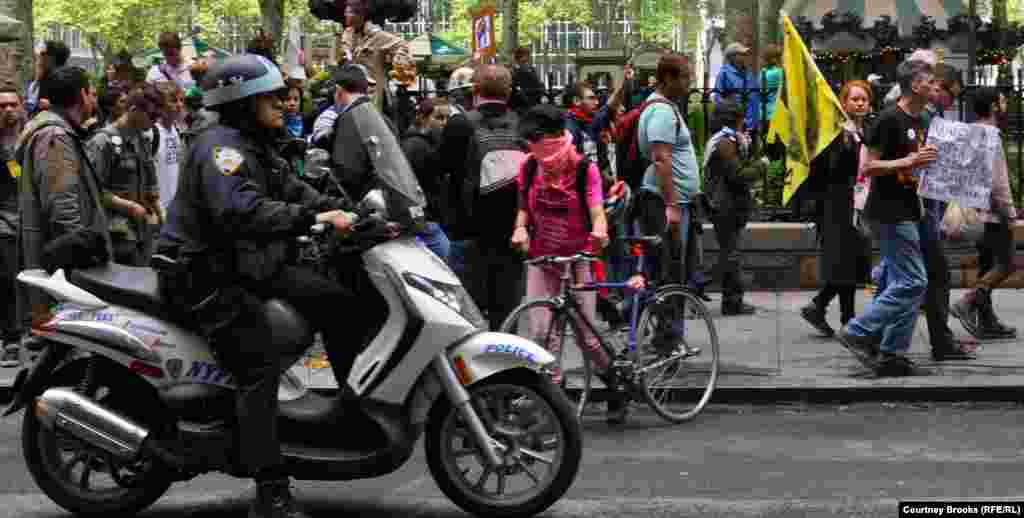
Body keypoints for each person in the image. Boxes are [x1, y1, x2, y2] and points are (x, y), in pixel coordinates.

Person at [155, 54, 357, 518]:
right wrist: (314, 217)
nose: (285, 103)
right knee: (257, 365)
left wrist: (352, 212)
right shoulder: (219, 149)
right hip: (204, 276)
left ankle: (349, 408)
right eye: (272, 96)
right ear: (243, 100)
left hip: (246, 265)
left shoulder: (254, 142)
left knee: (338, 302)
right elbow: (240, 211)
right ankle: (270, 489)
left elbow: (291, 188)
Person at [836, 60, 936, 377]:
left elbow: (918, 162)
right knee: (913, 281)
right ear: (914, 85)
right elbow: (869, 167)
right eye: (929, 81)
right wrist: (909, 160)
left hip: (911, 207)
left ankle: (892, 353)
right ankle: (858, 330)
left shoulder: (922, 118)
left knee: (902, 281)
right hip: (888, 211)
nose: (935, 86)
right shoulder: (889, 119)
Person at [16, 66, 108, 334]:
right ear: (81, 95)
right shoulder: (55, 136)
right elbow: (62, 204)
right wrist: (80, 260)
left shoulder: (57, 132)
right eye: (91, 93)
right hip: (65, 269)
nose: (94, 99)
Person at [440, 64, 527, 330]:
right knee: (507, 312)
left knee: (469, 315)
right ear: (509, 92)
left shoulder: (459, 123)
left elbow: (445, 171)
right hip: (513, 232)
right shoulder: (522, 123)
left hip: (470, 231)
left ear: (474, 90)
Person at [799, 80, 873, 336]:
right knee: (844, 261)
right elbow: (831, 170)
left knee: (850, 262)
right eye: (854, 99)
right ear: (844, 102)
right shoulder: (837, 132)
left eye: (864, 99)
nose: (860, 103)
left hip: (859, 201)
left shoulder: (867, 130)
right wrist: (846, 141)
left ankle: (820, 306)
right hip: (837, 203)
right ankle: (846, 319)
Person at [950, 88, 1019, 340]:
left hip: (977, 211)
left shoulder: (970, 133)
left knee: (988, 264)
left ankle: (987, 321)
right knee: (1007, 264)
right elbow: (998, 181)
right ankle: (967, 301)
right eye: (1001, 100)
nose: (1004, 104)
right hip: (994, 213)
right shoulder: (991, 135)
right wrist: (1009, 213)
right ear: (992, 106)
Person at [85, 82, 164, 267]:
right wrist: (129, 207)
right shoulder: (103, 142)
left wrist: (160, 213)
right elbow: (93, 190)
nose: (155, 121)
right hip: (116, 233)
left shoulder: (143, 140)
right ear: (134, 109)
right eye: (152, 115)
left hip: (143, 231)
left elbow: (151, 186)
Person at [702, 100, 761, 315]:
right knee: (731, 254)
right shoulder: (725, 142)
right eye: (741, 116)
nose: (744, 120)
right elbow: (738, 175)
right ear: (734, 118)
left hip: (726, 205)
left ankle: (712, 288)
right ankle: (731, 301)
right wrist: (760, 166)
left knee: (729, 253)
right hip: (724, 206)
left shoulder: (729, 140)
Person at [337, 0, 415, 116]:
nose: (345, 14)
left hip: (371, 97)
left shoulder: (378, 36)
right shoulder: (347, 34)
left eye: (348, 12)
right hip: (349, 94)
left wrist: (399, 59)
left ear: (360, 15)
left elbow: (402, 44)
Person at [401, 97, 451, 262]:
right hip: (425, 219)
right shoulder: (415, 146)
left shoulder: (432, 142)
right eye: (439, 117)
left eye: (448, 118)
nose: (444, 123)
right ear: (422, 117)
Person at [0, 84, 24, 367]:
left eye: (12, 104)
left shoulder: (30, 139)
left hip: (31, 222)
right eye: (2, 106)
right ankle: (11, 340)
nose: (8, 110)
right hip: (4, 223)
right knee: (7, 281)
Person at [713, 42, 760, 133]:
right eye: (741, 54)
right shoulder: (724, 73)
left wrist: (753, 120)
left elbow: (755, 96)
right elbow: (718, 98)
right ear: (732, 57)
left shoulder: (748, 73)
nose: (744, 56)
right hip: (733, 122)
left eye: (744, 54)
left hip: (750, 122)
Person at [154, 81, 185, 215]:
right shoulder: (152, 132)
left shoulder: (176, 130)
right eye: (173, 101)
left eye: (181, 100)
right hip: (160, 209)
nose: (179, 105)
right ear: (160, 106)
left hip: (176, 207)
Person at [25, 41, 71, 117]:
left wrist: (51, 107)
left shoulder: (63, 79)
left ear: (51, 57)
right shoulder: (44, 77)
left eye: (43, 54)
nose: (39, 57)